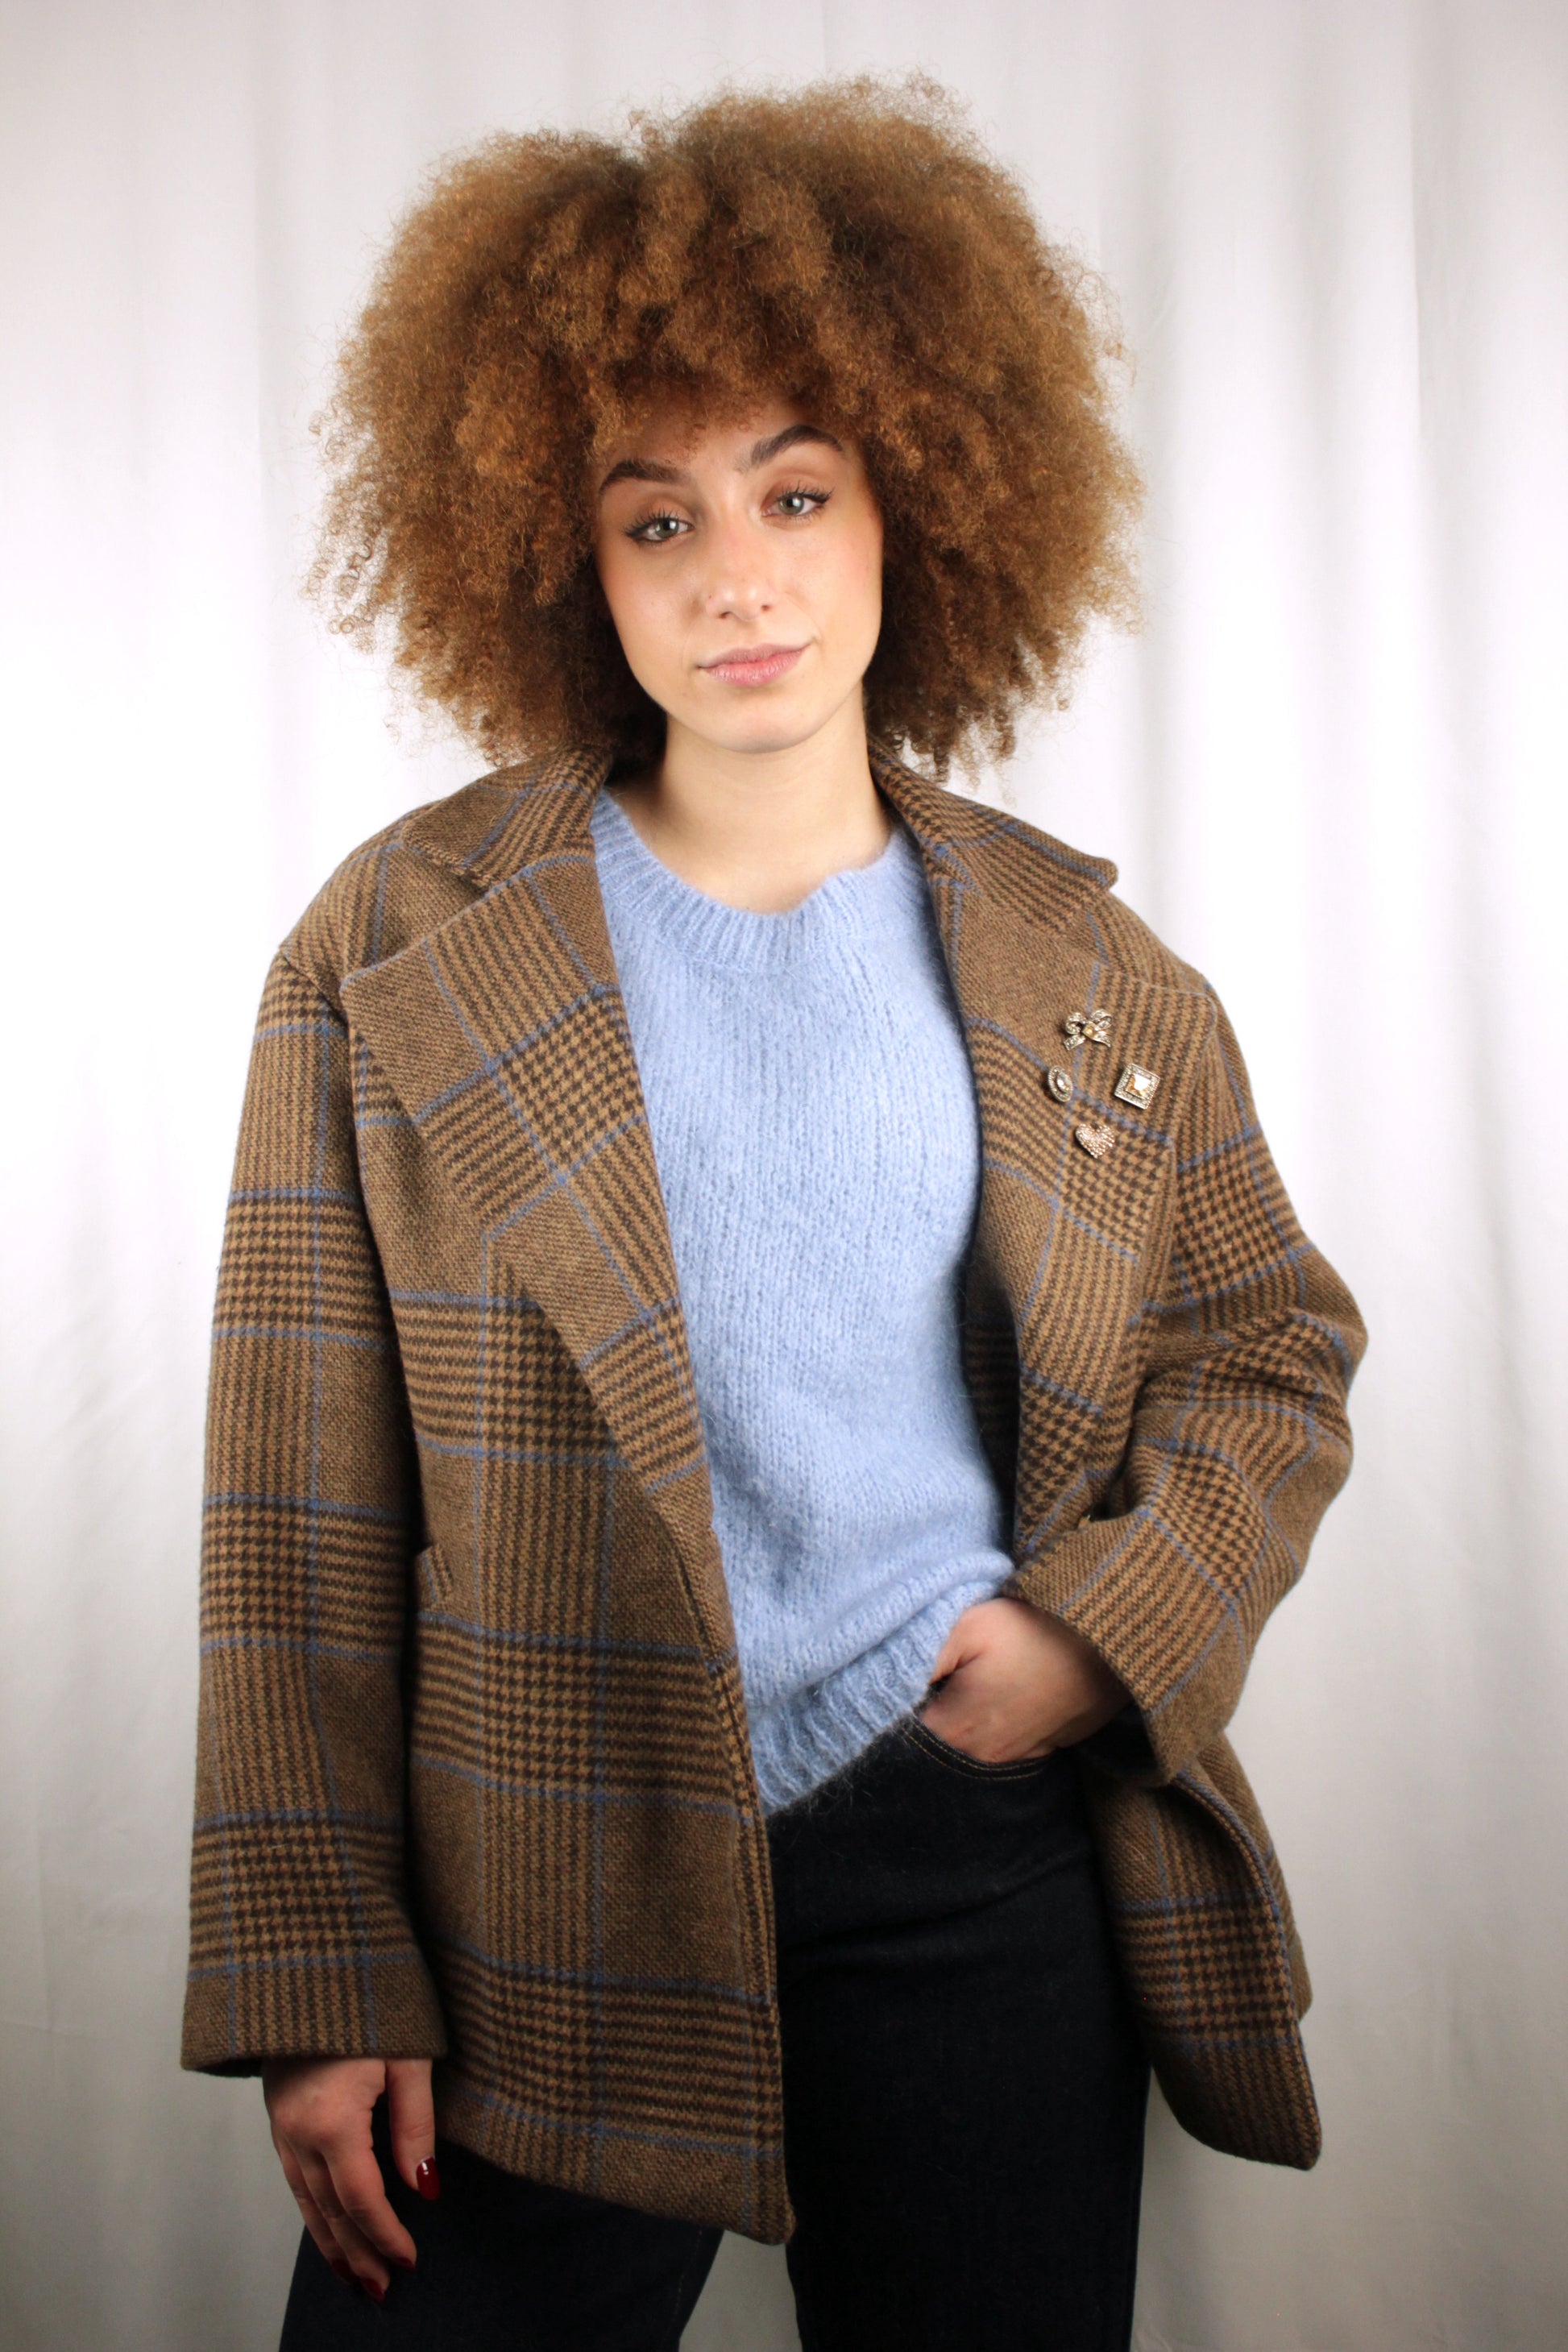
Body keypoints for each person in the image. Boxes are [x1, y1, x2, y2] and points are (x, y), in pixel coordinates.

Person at [182, 78, 1365, 2352]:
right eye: (658, 518)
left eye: (796, 493)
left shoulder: (1091, 970)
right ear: (565, 559)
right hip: (533, 1882)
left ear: (922, 497)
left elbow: (1263, 1349)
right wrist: (318, 1962)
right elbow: (295, 1498)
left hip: (974, 1862)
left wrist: (1093, 1640)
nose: (736, 576)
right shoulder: (399, 941)